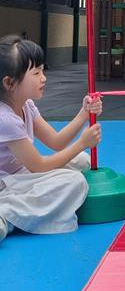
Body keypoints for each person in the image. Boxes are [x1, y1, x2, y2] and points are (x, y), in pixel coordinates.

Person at [0, 35, 102, 244]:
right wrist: (82, 143)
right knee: (73, 181)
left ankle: (24, 200)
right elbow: (39, 166)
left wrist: (84, 113)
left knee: (82, 161)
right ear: (9, 83)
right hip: (5, 183)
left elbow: (56, 142)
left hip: (18, 174)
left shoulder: (26, 106)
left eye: (42, 70)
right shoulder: (5, 119)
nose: (43, 78)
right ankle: (7, 213)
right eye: (36, 73)